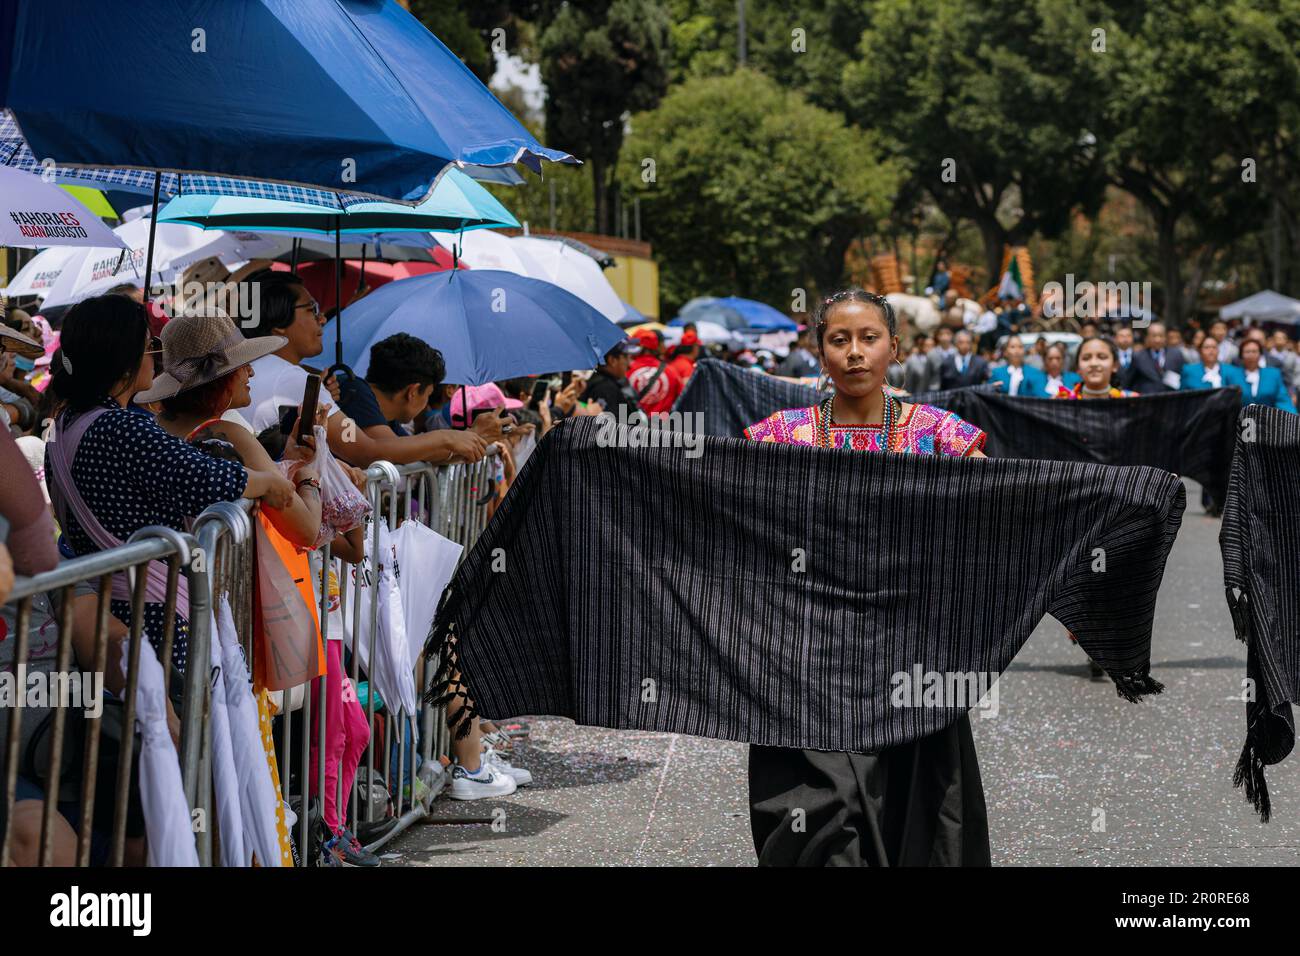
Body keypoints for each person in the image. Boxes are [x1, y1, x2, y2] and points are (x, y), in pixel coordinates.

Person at [743, 288, 990, 867]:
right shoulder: (781, 437)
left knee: (915, 803)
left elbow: (1003, 503)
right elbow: (725, 512)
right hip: (808, 656)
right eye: (839, 340)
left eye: (869, 338)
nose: (855, 353)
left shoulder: (940, 434)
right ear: (819, 353)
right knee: (826, 812)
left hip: (912, 650)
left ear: (894, 349)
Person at [44, 294, 294, 674]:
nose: (155, 357)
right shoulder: (120, 426)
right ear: (124, 357)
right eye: (149, 346)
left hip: (104, 603)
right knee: (171, 722)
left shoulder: (65, 424)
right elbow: (204, 479)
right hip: (152, 610)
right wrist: (267, 483)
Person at [234, 271, 512, 469]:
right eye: (312, 308)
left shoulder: (244, 369)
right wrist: (448, 436)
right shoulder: (295, 380)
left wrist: (458, 441)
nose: (322, 318)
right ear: (279, 323)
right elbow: (369, 452)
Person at [333, 333, 490, 466]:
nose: (426, 403)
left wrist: (473, 437)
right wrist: (446, 437)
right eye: (428, 395)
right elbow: (379, 453)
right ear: (413, 392)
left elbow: (420, 453)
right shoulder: (353, 390)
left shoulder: (385, 417)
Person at [1053, 335, 1139, 400]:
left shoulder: (1132, 401)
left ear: (1115, 365)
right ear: (1078, 368)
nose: (1093, 363)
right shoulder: (1061, 402)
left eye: (1102, 357)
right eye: (1086, 358)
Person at [627, 328, 684, 417]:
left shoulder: (625, 370)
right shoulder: (671, 371)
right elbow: (683, 399)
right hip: (664, 427)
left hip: (633, 427)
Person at [585, 340, 643, 420]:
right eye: (626, 357)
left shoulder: (600, 382)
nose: (629, 365)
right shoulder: (605, 388)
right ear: (612, 360)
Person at [1235, 338, 1295, 413]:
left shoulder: (1273, 374)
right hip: (1239, 421)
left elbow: (1283, 399)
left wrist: (1293, 418)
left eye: (1254, 351)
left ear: (1260, 354)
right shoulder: (1233, 374)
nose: (1251, 355)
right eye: (1247, 352)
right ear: (1241, 355)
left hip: (1267, 420)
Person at [1128, 322, 1184, 394]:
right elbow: (1129, 382)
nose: (1157, 340)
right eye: (1154, 336)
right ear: (1148, 337)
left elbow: (1183, 378)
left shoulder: (1176, 354)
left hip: (1171, 399)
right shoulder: (1138, 356)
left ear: (1165, 337)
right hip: (1147, 400)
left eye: (1161, 336)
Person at [1180, 334, 1246, 394]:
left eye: (1214, 347)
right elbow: (1183, 396)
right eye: (1207, 347)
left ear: (1218, 351)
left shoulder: (1232, 370)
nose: (1211, 350)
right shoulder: (1189, 370)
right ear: (1200, 351)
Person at [1113, 324, 1137, 390]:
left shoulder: (1139, 356)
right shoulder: (1112, 356)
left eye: (1128, 336)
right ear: (1115, 339)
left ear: (1132, 338)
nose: (1125, 339)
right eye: (1122, 336)